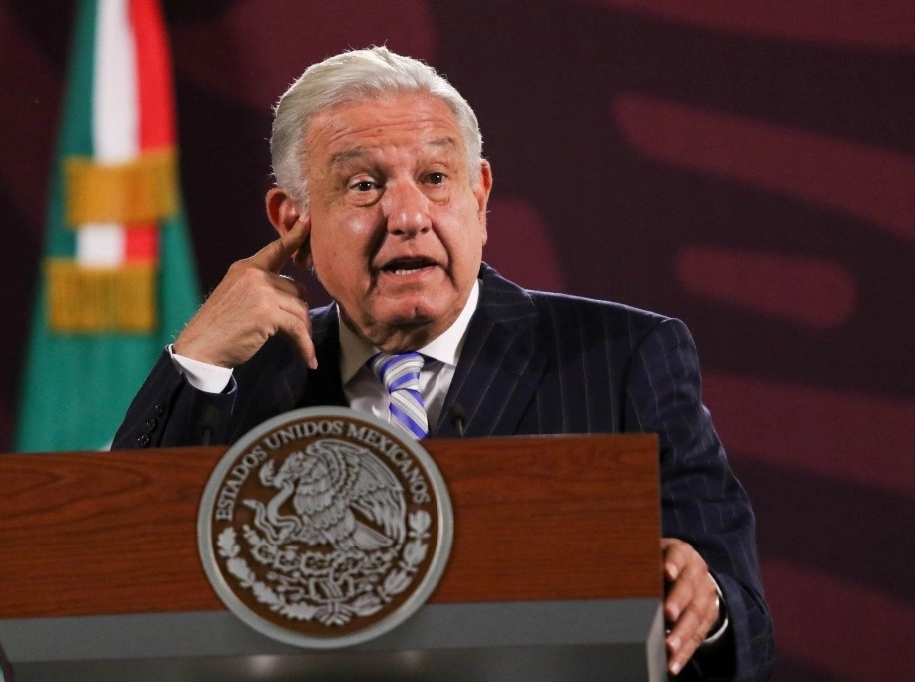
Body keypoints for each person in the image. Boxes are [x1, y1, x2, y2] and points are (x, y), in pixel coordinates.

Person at [114, 46, 774, 680]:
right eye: (364, 185)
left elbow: (744, 629)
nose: (409, 216)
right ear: (294, 222)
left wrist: (705, 603)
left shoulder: (622, 358)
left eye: (435, 178)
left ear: (479, 197)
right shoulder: (242, 383)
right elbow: (118, 589)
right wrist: (197, 359)